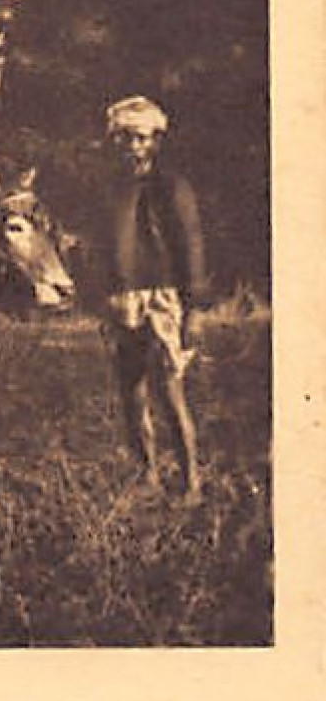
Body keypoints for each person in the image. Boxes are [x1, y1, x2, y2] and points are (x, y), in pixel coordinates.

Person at [101, 95, 210, 499]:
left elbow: (191, 245)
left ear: (156, 141)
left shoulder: (171, 187)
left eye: (141, 139)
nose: (133, 147)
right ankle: (146, 475)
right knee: (131, 390)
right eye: (125, 138)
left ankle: (191, 481)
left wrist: (194, 309)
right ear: (113, 141)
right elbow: (104, 245)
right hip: (121, 298)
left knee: (169, 390)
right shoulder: (109, 188)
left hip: (164, 299)